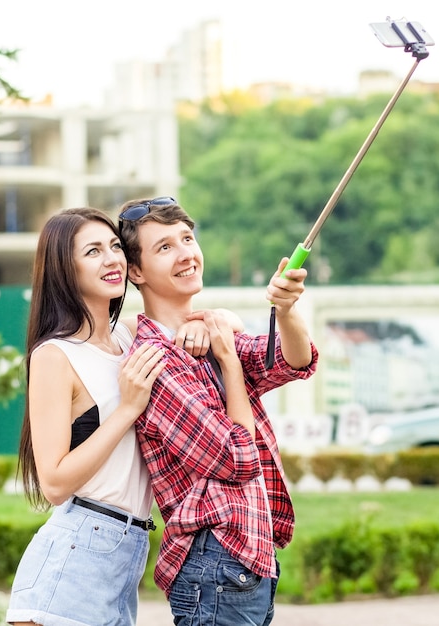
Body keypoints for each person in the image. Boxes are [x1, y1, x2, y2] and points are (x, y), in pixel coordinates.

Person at [118, 197, 319, 626]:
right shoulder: (157, 363)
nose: (186, 253)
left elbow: (293, 360)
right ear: (136, 272)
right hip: (216, 559)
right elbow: (239, 458)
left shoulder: (210, 333)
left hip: (247, 556)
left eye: (187, 239)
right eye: (164, 247)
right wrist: (229, 363)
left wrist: (285, 308)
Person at [6, 207, 174, 626]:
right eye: (94, 251)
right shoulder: (55, 356)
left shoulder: (130, 338)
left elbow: (192, 321)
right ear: (65, 268)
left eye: (115, 246)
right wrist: (129, 408)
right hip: (76, 555)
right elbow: (55, 483)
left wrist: (218, 321)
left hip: (126, 554)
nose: (113, 259)